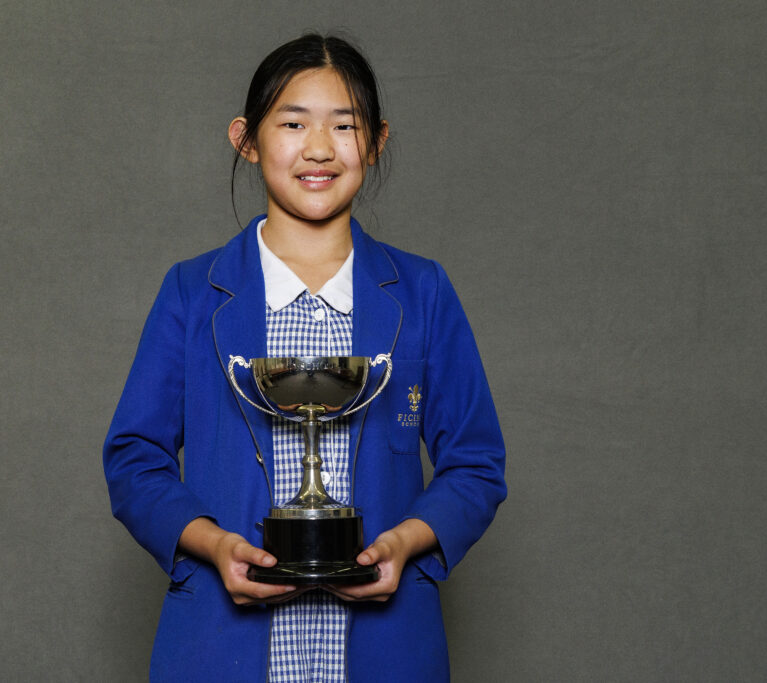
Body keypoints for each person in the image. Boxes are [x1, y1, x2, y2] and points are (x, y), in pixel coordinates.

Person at [104, 33, 506, 682]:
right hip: (218, 648)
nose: (319, 148)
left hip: (386, 650)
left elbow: (477, 463)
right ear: (248, 138)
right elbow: (133, 458)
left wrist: (404, 544)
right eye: (293, 123)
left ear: (375, 143)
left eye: (343, 126)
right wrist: (213, 545)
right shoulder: (192, 291)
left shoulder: (422, 291)